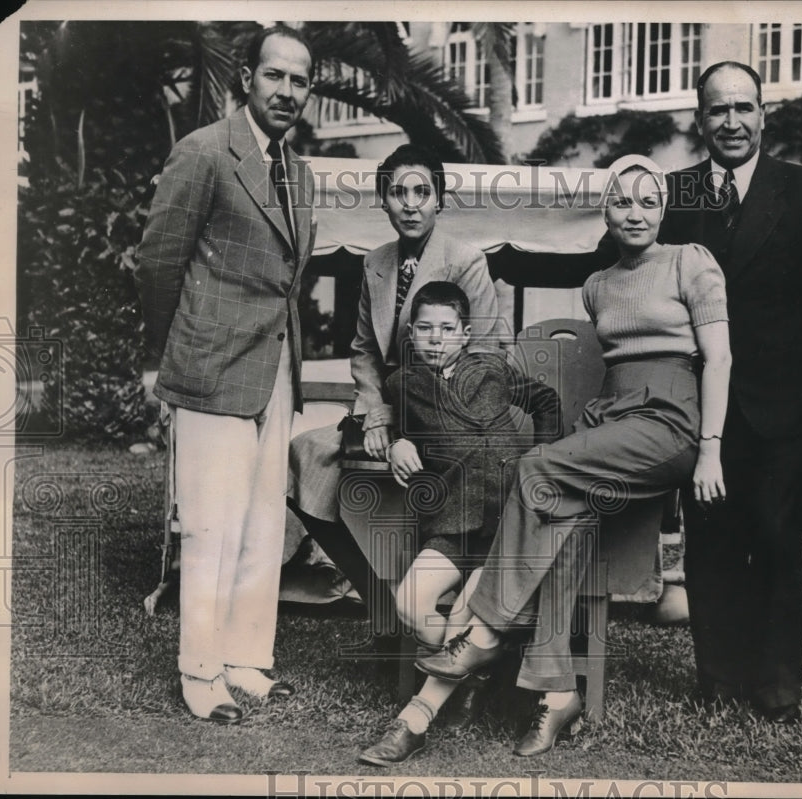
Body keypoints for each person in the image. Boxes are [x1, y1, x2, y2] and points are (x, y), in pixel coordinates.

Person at [416, 155, 732, 756]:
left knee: (537, 468)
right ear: (605, 212)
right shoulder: (597, 285)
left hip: (670, 419)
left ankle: (484, 630)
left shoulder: (691, 261)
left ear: (662, 209)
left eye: (647, 201)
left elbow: (718, 359)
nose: (634, 213)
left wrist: (710, 449)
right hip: (612, 415)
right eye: (621, 201)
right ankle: (557, 691)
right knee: (567, 515)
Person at [656, 61, 802, 724]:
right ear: (700, 119)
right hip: (696, 404)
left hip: (781, 402)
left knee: (773, 536)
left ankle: (776, 687)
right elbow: (611, 251)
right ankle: (718, 678)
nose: (731, 122)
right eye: (718, 110)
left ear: (764, 113)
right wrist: (505, 253)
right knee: (708, 542)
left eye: (744, 108)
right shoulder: (674, 195)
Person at [135, 26, 317, 723]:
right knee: (211, 524)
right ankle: (201, 670)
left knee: (264, 520)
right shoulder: (205, 152)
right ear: (246, 77)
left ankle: (245, 658)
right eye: (275, 76)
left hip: (274, 369)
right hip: (210, 367)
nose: (287, 93)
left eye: (300, 81)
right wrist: (162, 361)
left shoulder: (298, 172)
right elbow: (158, 263)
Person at [287, 144, 511, 603]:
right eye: (398, 192)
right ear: (383, 200)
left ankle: (431, 596)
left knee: (415, 480)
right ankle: (377, 597)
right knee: (303, 456)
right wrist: (376, 415)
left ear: (439, 200)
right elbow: (365, 350)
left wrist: (401, 423)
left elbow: (485, 356)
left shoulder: (467, 261)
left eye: (422, 192)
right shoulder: (376, 262)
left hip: (449, 412)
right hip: (386, 406)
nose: (410, 203)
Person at [358, 281, 561, 766]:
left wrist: (541, 457)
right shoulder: (401, 385)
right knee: (410, 602)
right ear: (411, 334)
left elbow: (547, 401)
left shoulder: (491, 370)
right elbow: (402, 429)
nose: (435, 338)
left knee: (464, 616)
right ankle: (470, 677)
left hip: (507, 525)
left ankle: (414, 721)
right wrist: (397, 443)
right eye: (424, 329)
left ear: (465, 334)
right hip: (452, 523)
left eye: (446, 329)